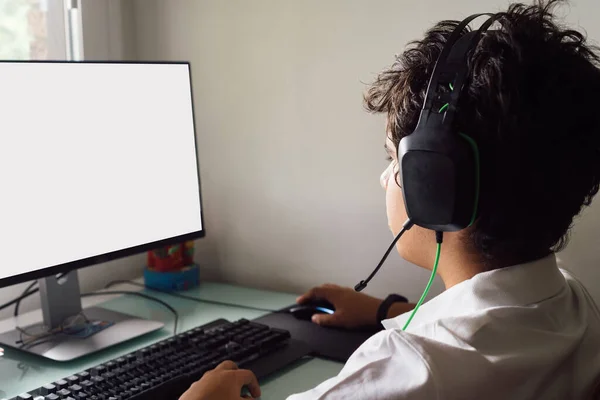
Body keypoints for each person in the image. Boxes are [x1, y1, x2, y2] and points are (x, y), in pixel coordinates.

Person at [180, 0, 600, 398]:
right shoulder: (574, 304)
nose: (385, 180)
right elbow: (494, 327)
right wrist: (387, 308)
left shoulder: (404, 369)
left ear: (435, 184)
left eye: (393, 161)